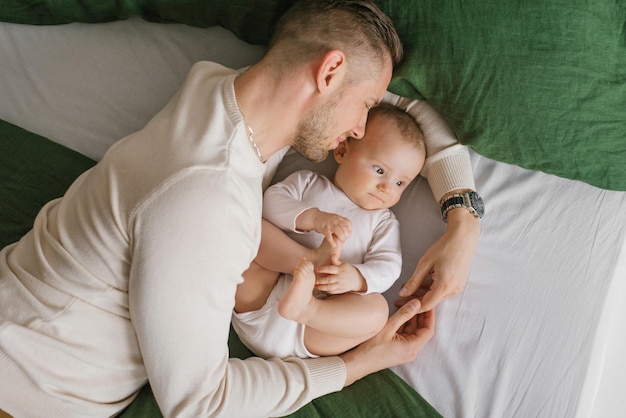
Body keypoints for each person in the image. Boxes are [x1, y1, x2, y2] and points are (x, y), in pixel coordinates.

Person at [0, 1, 446, 417]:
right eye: (367, 105)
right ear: (329, 71)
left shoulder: (215, 86)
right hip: (28, 393)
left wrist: (463, 211)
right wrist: (357, 364)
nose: (360, 129)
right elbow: (200, 404)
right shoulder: (207, 202)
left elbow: (409, 113)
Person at [233, 103, 426, 359]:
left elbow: (388, 266)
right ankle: (310, 262)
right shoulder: (309, 182)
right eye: (380, 170)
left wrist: (357, 277)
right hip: (259, 297)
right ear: (343, 151)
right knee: (253, 228)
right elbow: (271, 202)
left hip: (312, 330)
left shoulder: (383, 222)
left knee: (377, 311)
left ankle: (306, 307)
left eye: (400, 183)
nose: (386, 188)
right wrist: (313, 218)